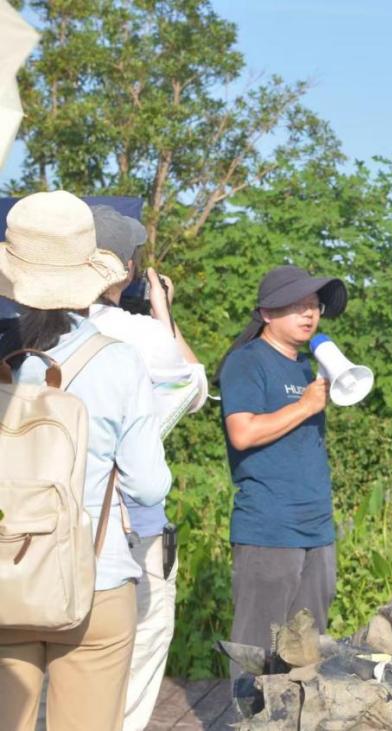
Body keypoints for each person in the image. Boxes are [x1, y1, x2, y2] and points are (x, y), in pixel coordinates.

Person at [0, 191, 171, 731]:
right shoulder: (118, 360)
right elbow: (147, 486)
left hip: (5, 573)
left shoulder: (5, 359)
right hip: (95, 578)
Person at [87, 205, 208, 731]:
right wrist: (163, 314)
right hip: (127, 531)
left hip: (40, 530)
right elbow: (194, 389)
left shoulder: (26, 330)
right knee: (136, 658)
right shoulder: (140, 335)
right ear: (129, 270)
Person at [215, 265, 347, 672]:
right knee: (257, 654)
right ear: (267, 313)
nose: (310, 313)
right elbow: (242, 433)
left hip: (317, 529)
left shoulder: (306, 366)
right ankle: (248, 709)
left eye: (315, 305)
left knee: (307, 653)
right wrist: (305, 406)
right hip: (269, 529)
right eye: (298, 305)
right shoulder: (246, 362)